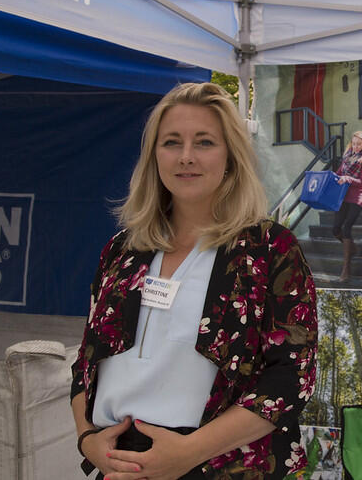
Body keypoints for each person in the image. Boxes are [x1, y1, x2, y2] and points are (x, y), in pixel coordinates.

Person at [70, 82, 317, 480]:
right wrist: (87, 440)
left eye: (204, 142)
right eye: (172, 142)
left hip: (224, 466)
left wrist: (186, 454)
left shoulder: (270, 248)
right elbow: (85, 362)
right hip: (118, 468)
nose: (186, 157)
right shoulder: (121, 251)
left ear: (231, 156)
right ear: (154, 156)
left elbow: (291, 377)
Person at [332, 131, 362, 282]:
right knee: (335, 229)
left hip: (357, 197)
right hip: (343, 197)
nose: (356, 146)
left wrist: (347, 178)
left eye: (359, 144)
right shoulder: (347, 157)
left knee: (346, 228)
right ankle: (353, 248)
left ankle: (346, 269)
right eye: (354, 143)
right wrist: (330, 177)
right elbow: (338, 174)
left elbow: (361, 182)